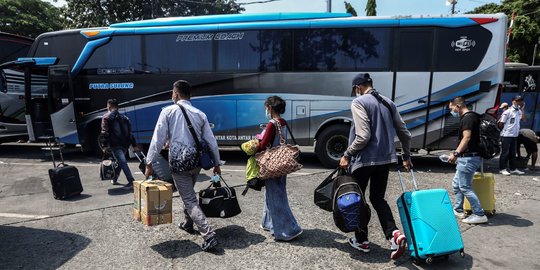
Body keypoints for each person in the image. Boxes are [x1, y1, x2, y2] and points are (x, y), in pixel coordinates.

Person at [339, 73, 412, 260]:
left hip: (364, 160)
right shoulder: (388, 102)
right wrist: (406, 156)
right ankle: (394, 234)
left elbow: (363, 136)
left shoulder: (359, 102)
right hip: (386, 159)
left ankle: (362, 241)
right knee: (378, 198)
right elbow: (405, 133)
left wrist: (347, 154)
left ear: (358, 88)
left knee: (359, 200)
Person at [144, 80, 221, 252]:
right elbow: (211, 142)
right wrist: (216, 163)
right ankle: (187, 223)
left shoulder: (168, 112)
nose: (172, 95)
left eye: (172, 92)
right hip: (196, 162)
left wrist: (149, 163)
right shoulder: (200, 114)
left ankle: (209, 235)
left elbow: (157, 139)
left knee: (189, 199)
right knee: (189, 194)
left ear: (176, 94)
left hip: (179, 164)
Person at [258, 96, 303, 241]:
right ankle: (269, 223)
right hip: (282, 162)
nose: (266, 110)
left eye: (266, 107)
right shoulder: (283, 122)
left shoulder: (272, 123)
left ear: (270, 108)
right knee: (274, 193)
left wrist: (254, 144)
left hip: (272, 164)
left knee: (276, 196)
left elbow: (264, 144)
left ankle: (288, 230)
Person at [447, 96, 488, 224]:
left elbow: (467, 138)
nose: (451, 111)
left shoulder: (468, 118)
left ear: (458, 106)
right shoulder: (471, 117)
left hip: (468, 158)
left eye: (451, 108)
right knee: (457, 184)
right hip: (467, 158)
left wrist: (456, 153)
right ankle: (458, 210)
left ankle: (479, 213)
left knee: (465, 187)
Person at [100, 99, 138, 190]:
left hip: (115, 144)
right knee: (120, 162)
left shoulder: (106, 117)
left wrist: (104, 146)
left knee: (122, 162)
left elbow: (104, 132)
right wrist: (134, 144)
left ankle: (131, 181)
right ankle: (114, 178)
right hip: (125, 144)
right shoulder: (125, 118)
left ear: (109, 106)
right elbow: (130, 133)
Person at [498, 95, 526, 175]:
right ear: (513, 101)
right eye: (518, 100)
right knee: (505, 153)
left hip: (514, 135)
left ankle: (513, 168)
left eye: (521, 100)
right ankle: (502, 168)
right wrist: (504, 131)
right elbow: (501, 123)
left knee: (513, 153)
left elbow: (523, 119)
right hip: (506, 135)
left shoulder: (519, 111)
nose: (520, 102)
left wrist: (523, 109)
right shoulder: (508, 112)